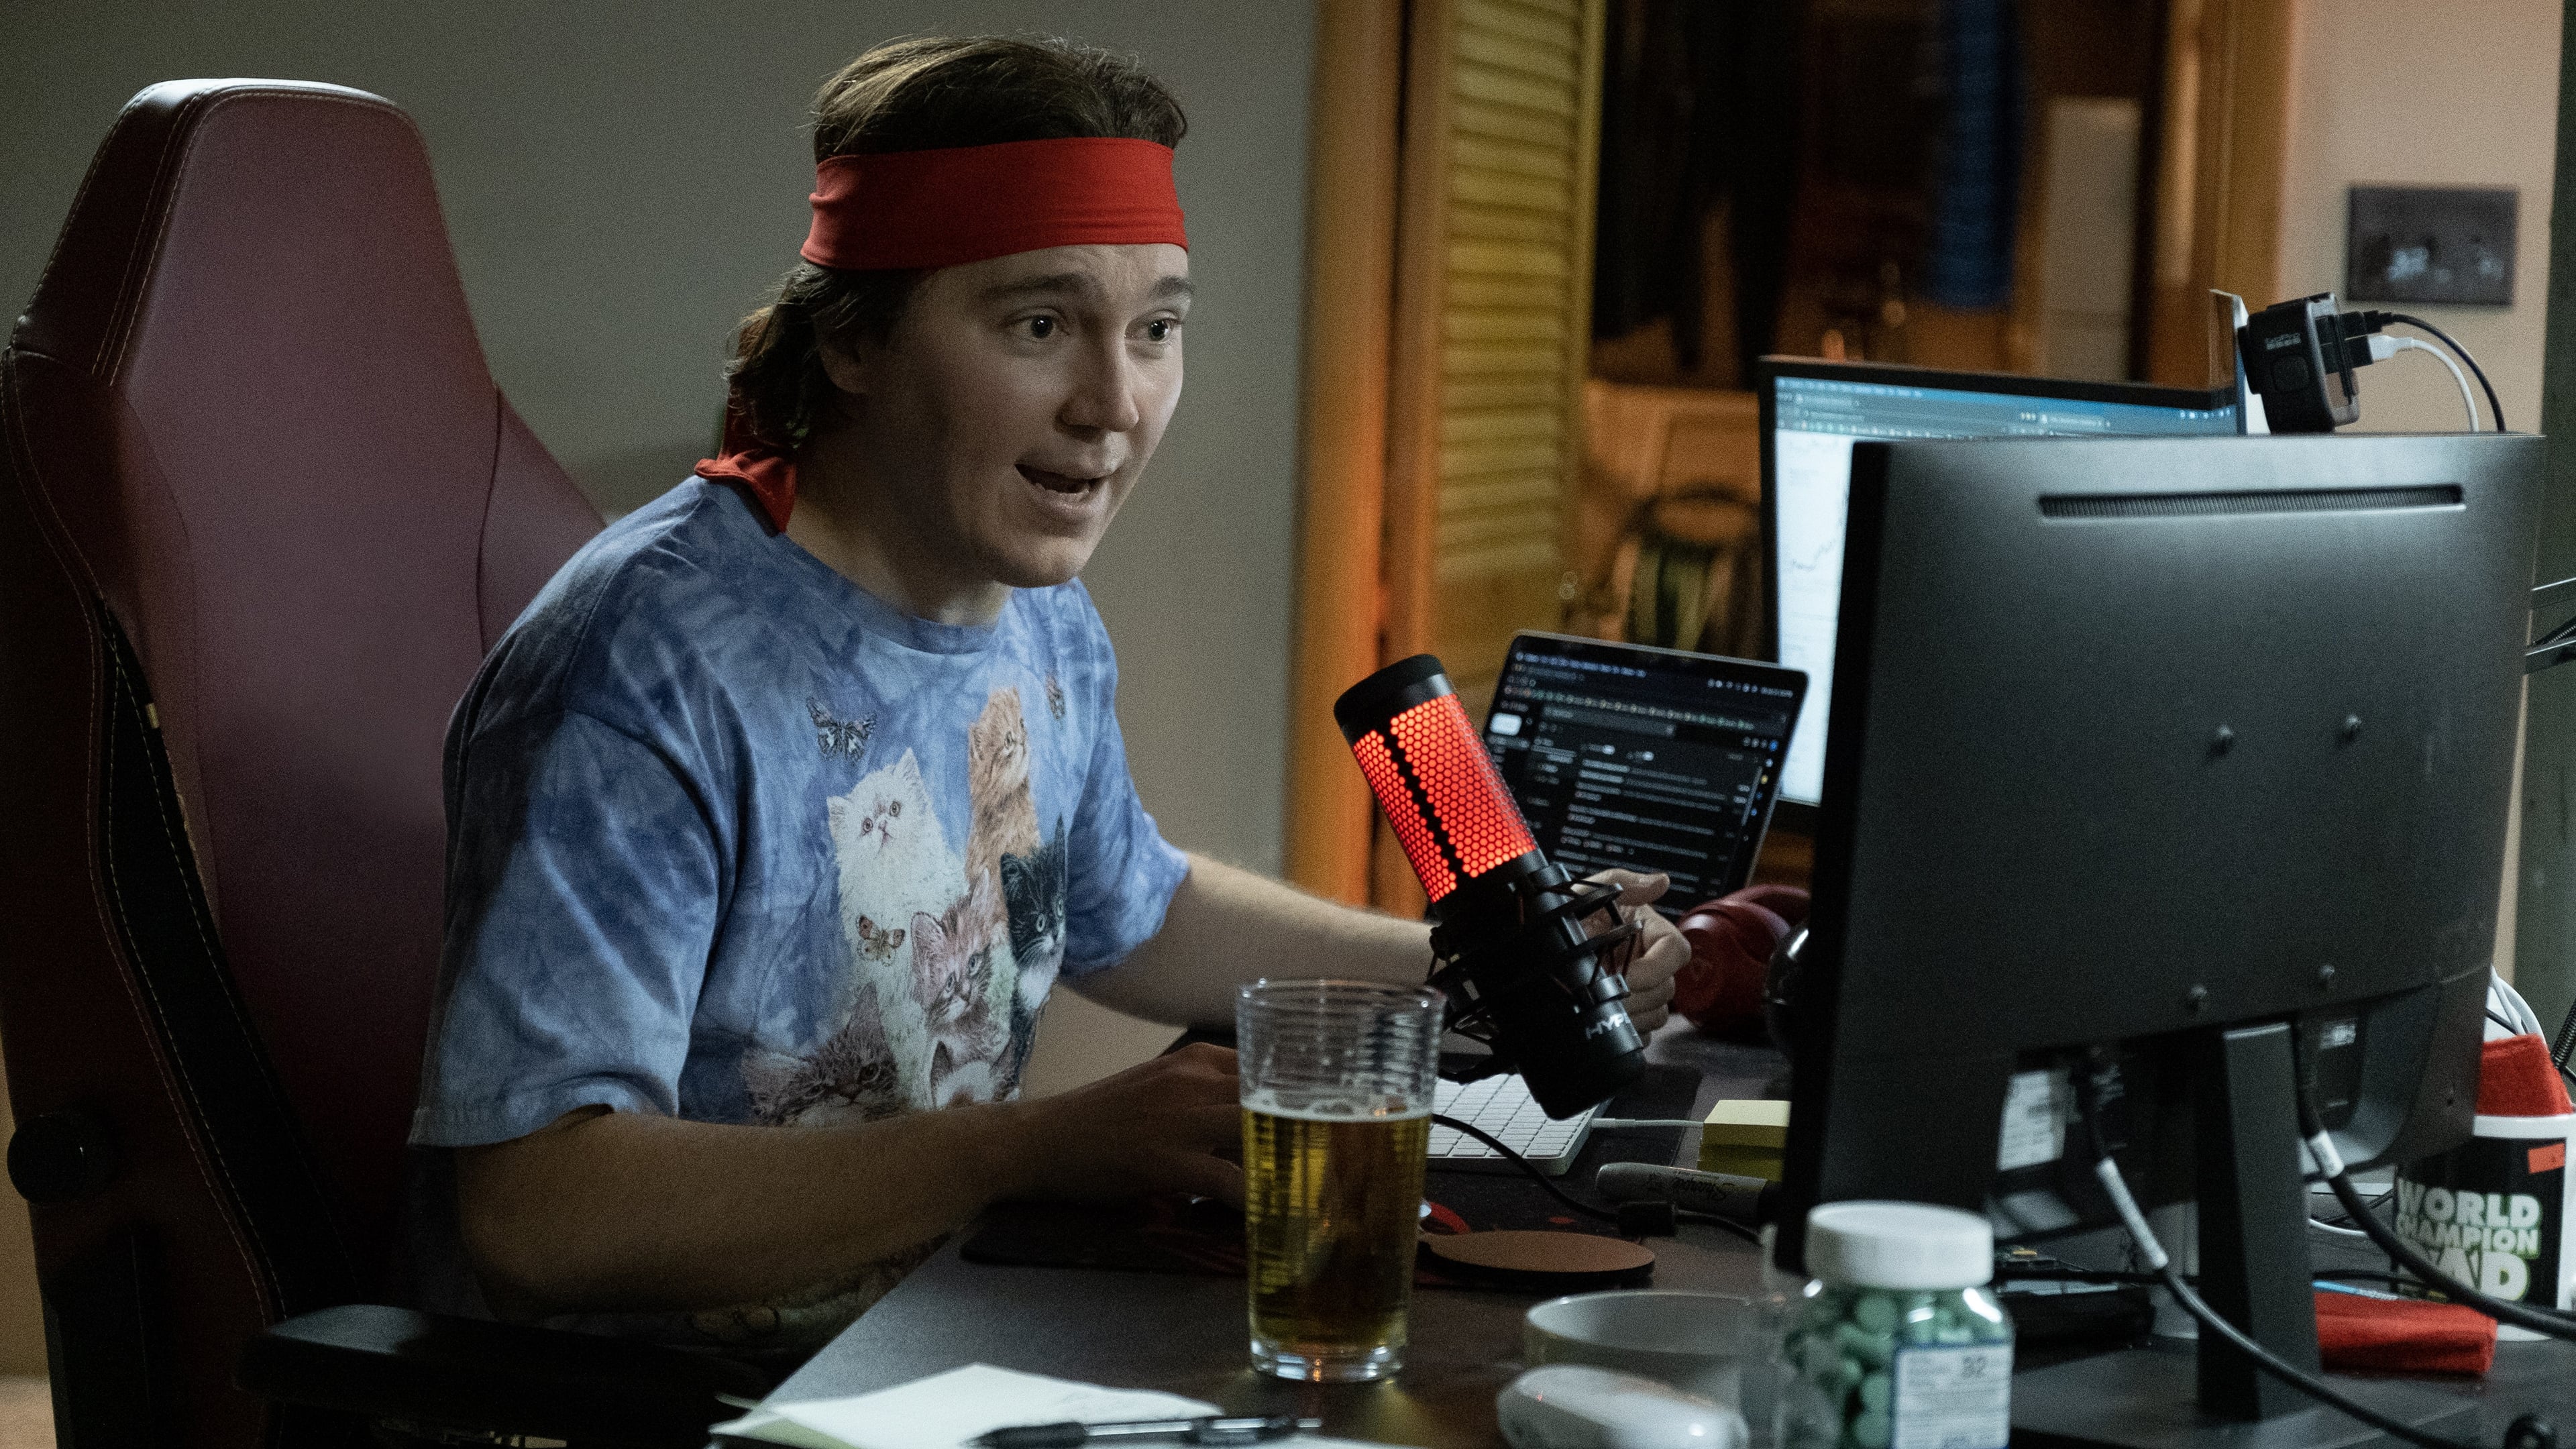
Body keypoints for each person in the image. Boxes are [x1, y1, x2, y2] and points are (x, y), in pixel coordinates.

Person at [405, 33, 1687, 1361]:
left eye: (1157, 330)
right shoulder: (647, 664)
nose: (1114, 404)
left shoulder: (1037, 614)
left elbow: (1131, 908)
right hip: (668, 1402)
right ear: (852, 341)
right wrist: (1034, 1149)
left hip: (939, 1337)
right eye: (1039, 325)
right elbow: (536, 1214)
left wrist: (1486, 970)